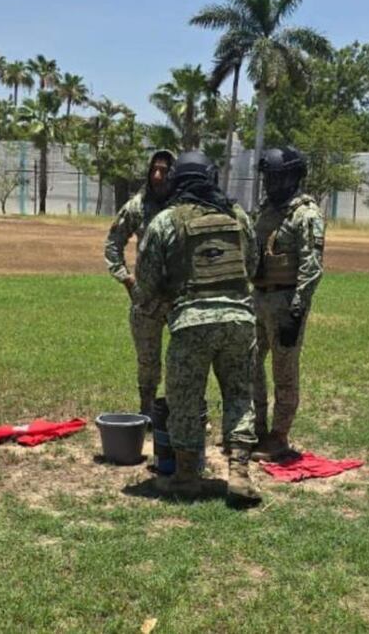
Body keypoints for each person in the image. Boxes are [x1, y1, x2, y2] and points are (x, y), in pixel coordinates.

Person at [134, 151, 262, 506]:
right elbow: (252, 266)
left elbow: (146, 280)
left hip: (191, 323)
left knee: (184, 400)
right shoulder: (238, 217)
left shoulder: (166, 220)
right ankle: (239, 473)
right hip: (239, 321)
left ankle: (187, 476)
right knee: (239, 394)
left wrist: (162, 297)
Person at [250, 147, 325, 461]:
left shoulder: (305, 214)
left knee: (284, 372)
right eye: (268, 177)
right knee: (249, 364)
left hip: (286, 301)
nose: (270, 183)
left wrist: (297, 308)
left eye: (276, 177)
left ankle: (279, 437)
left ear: (293, 177)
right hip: (258, 297)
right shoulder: (265, 210)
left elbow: (312, 266)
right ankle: (255, 428)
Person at [104, 150, 176, 417]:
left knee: (183, 359)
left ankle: (179, 411)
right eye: (154, 170)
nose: (157, 176)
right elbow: (113, 243)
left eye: (164, 171)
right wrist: (126, 279)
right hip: (146, 298)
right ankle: (147, 412)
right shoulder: (137, 206)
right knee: (147, 360)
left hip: (179, 298)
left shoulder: (184, 206)